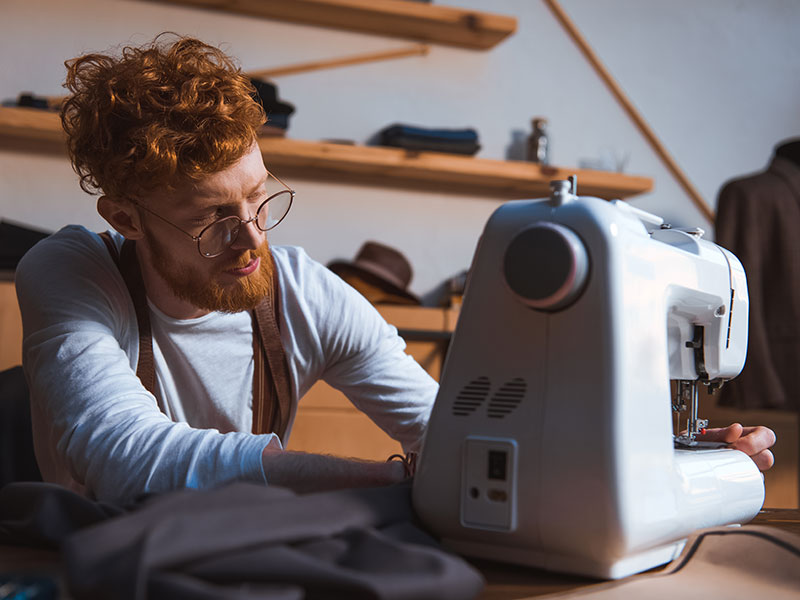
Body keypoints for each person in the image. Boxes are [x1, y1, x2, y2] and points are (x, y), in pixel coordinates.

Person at [15, 35, 775, 506]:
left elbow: (457, 431)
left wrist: (666, 454)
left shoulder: (304, 293)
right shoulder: (75, 273)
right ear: (125, 218)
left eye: (259, 195)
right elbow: (122, 458)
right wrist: (372, 478)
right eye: (211, 217)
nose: (252, 238)